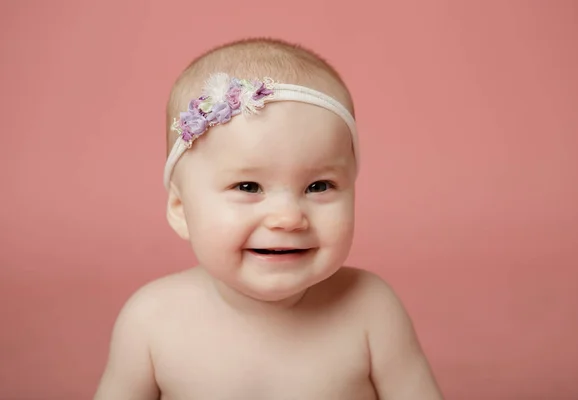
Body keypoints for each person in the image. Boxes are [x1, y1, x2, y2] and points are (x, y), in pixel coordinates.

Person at [94, 37, 444, 400]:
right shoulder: (151, 320)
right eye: (248, 186)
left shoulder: (371, 309)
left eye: (319, 186)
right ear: (180, 210)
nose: (288, 218)